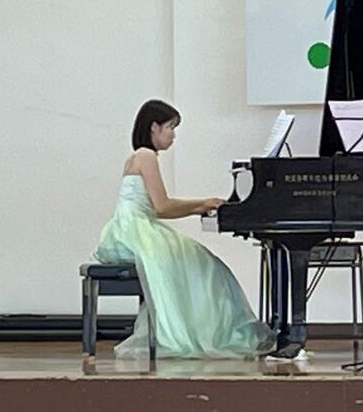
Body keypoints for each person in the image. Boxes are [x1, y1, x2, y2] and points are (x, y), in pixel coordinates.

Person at [92, 99, 276, 358]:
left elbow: (157, 207)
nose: (173, 135)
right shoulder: (145, 156)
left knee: (203, 263)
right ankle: (212, 333)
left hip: (126, 230)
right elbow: (162, 207)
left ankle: (209, 330)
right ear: (154, 127)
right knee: (208, 266)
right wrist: (202, 203)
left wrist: (200, 206)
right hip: (136, 231)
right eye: (170, 127)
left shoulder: (137, 157)